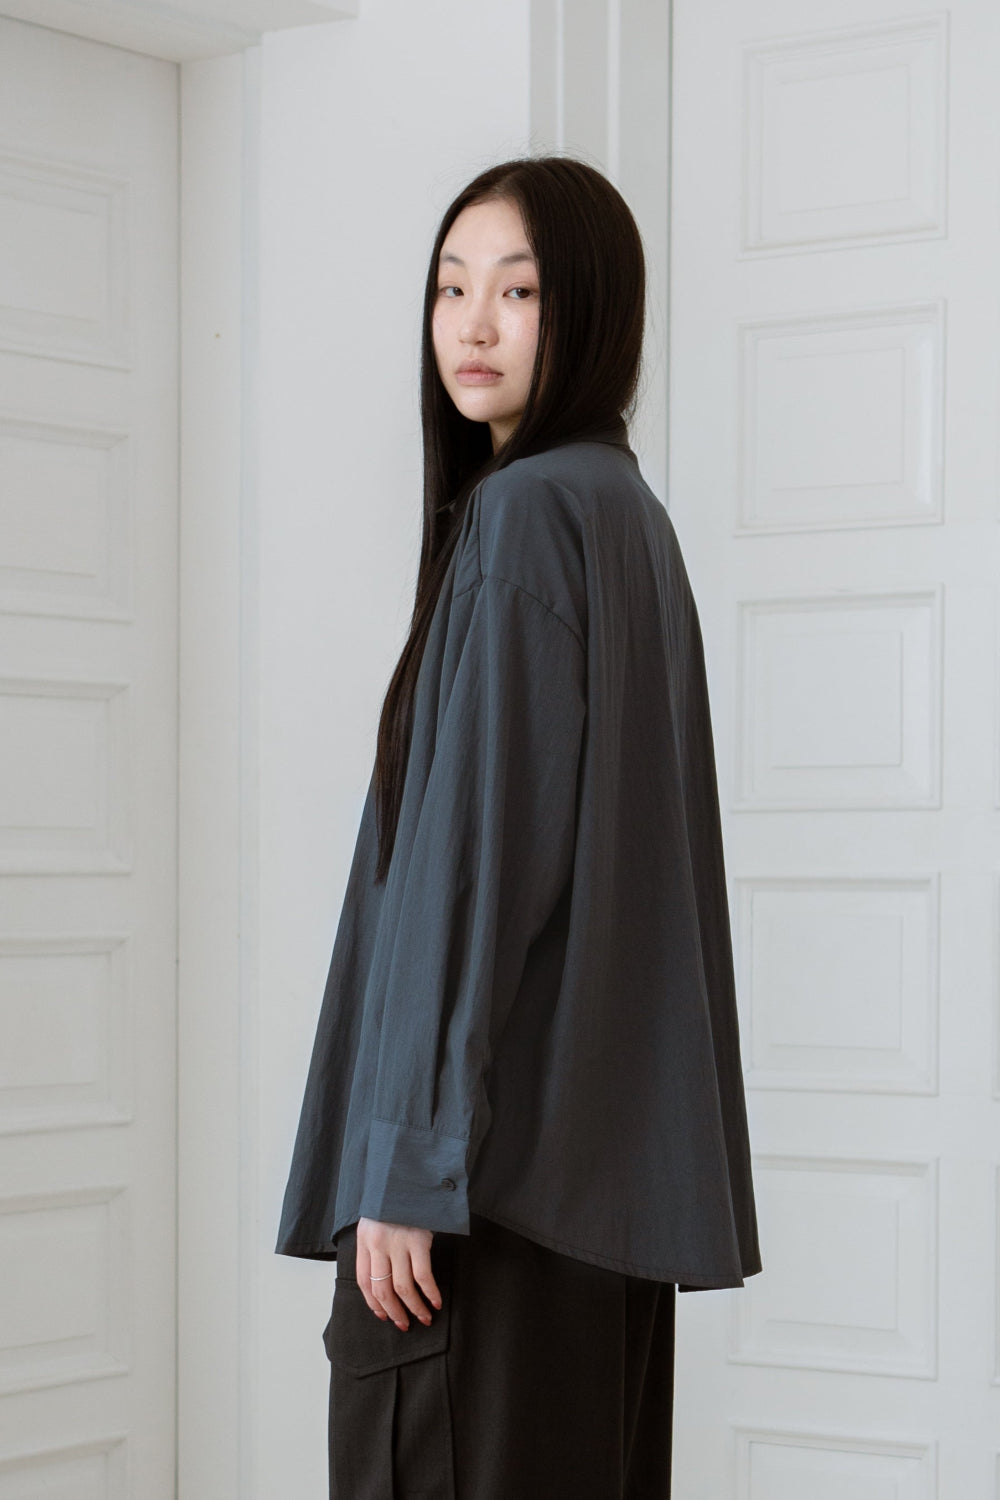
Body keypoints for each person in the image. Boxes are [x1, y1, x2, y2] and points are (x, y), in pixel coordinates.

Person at [275, 153, 762, 1499]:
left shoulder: (528, 515)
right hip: (594, 1218)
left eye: (520, 290)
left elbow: (473, 868)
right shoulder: (628, 518)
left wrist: (405, 1165)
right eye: (450, 288)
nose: (473, 325)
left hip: (480, 1198)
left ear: (588, 309)